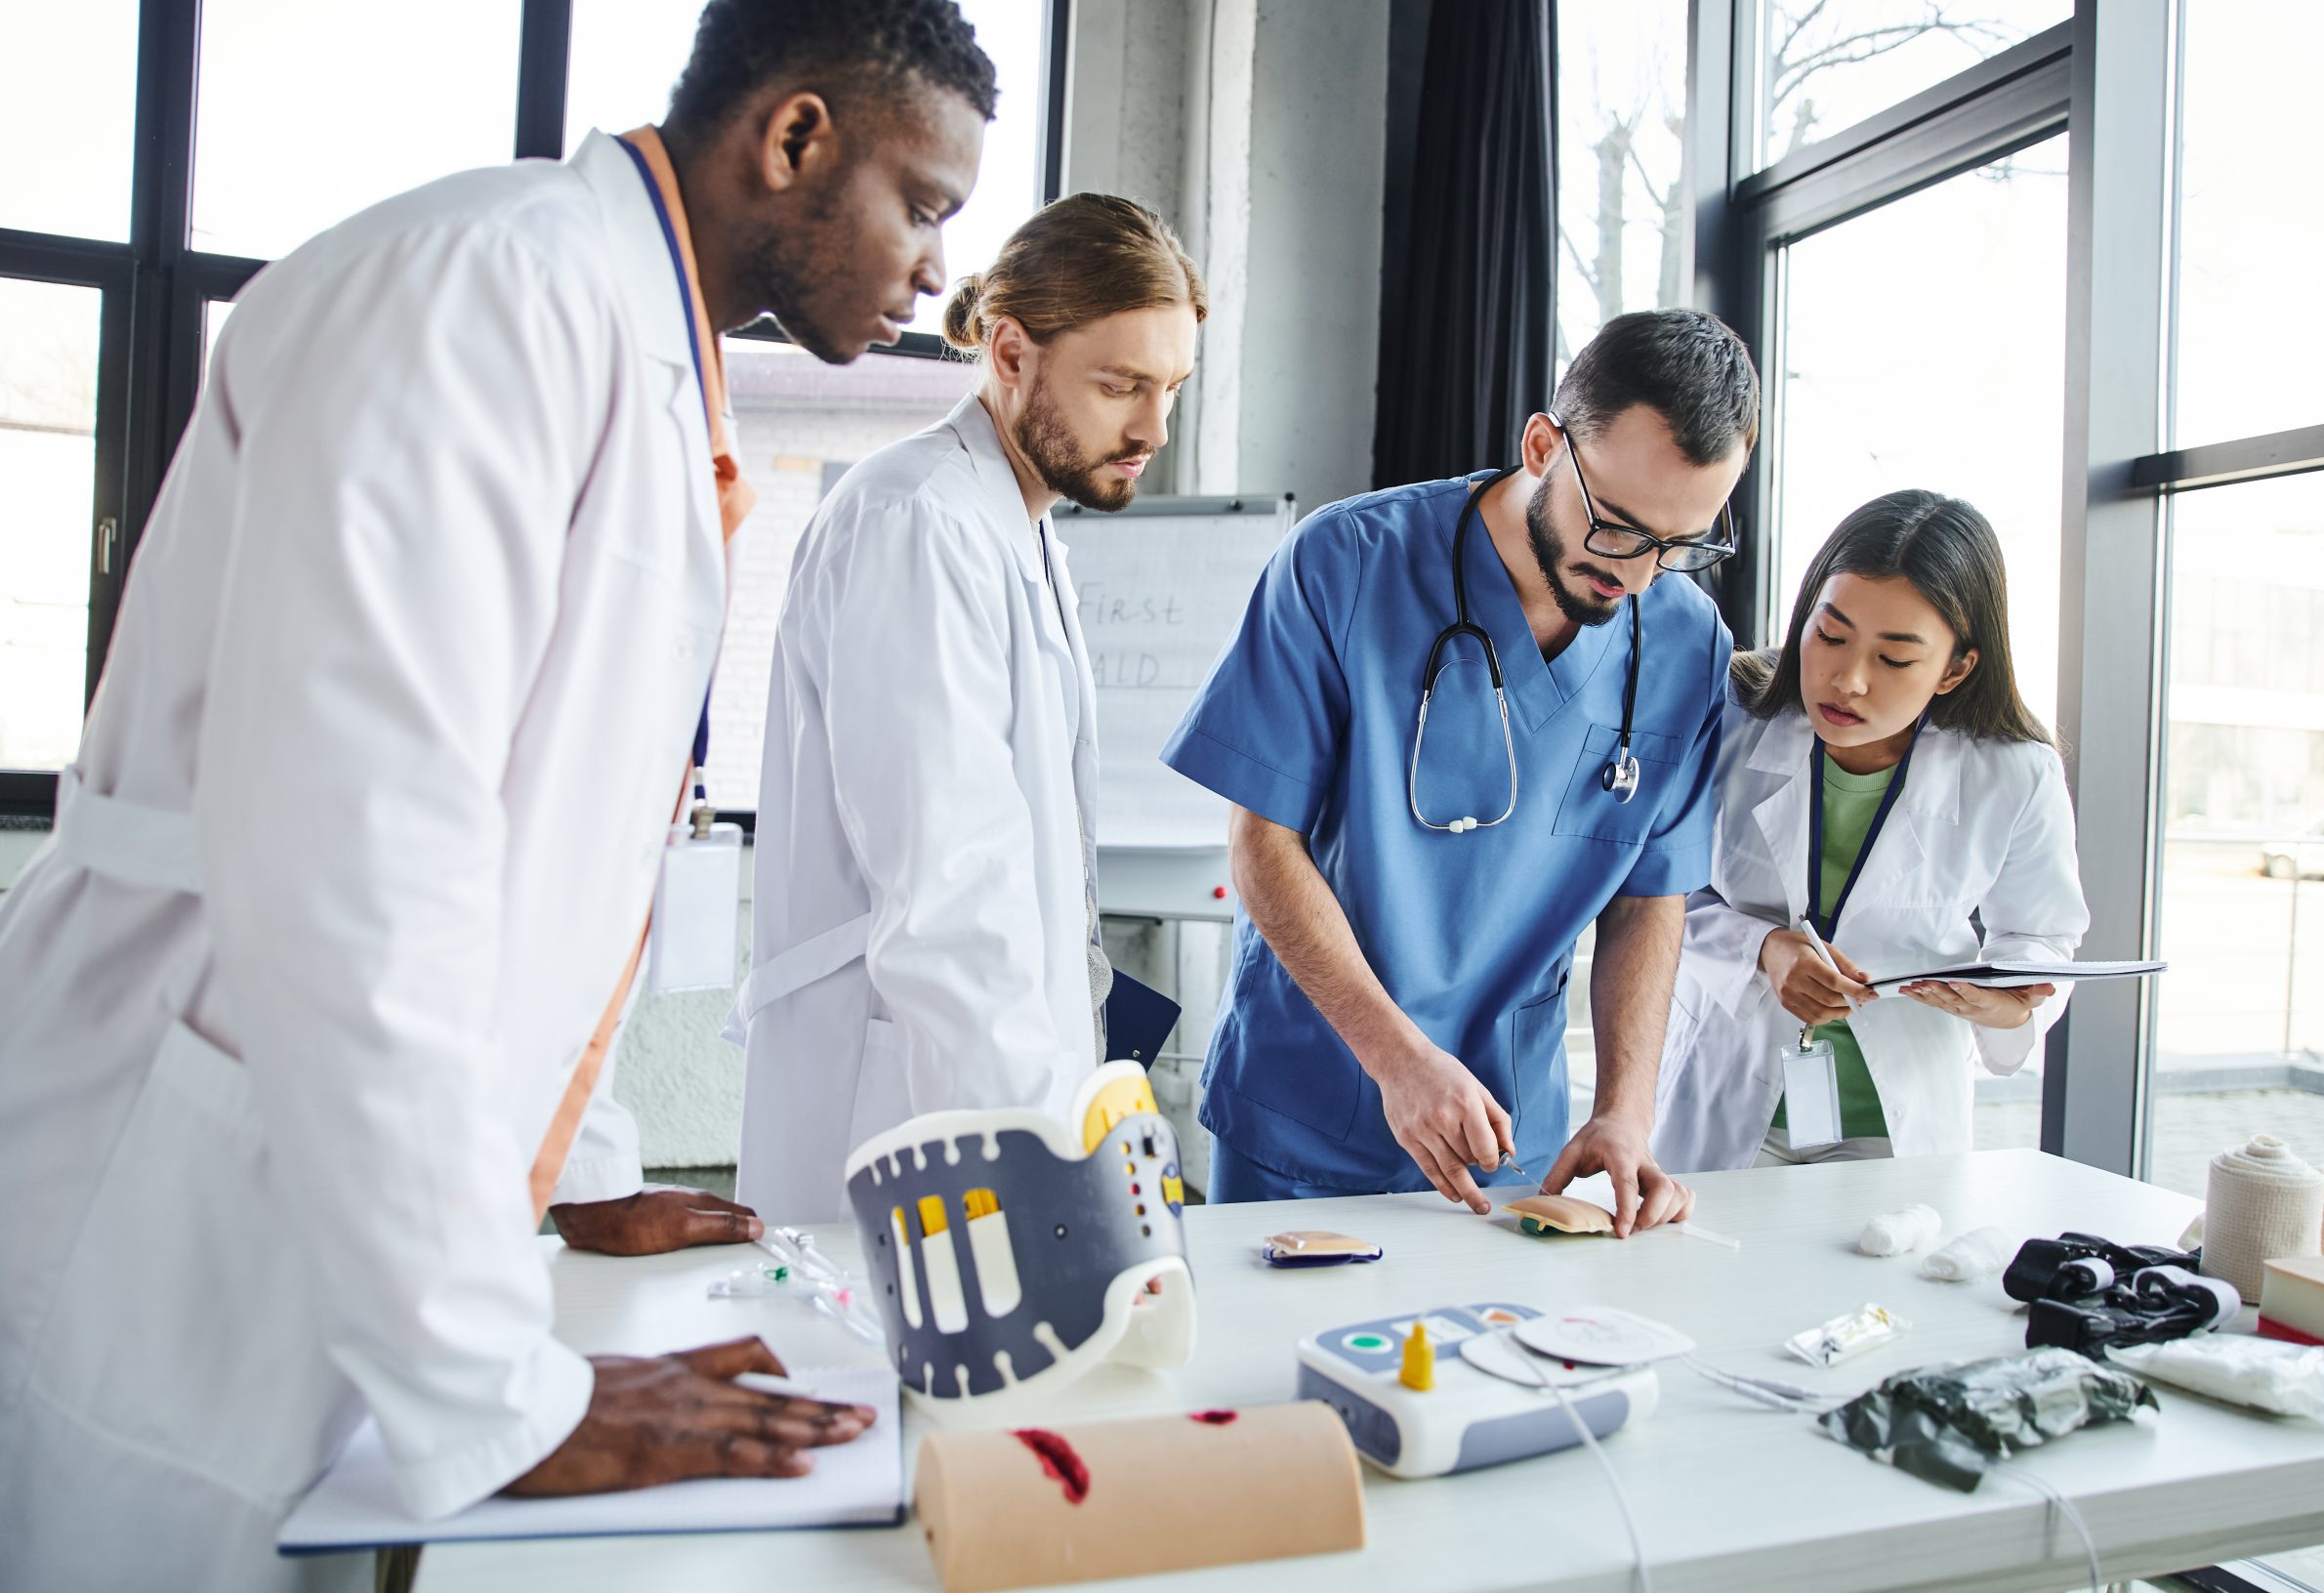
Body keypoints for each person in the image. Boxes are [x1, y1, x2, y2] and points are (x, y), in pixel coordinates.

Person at [0, 0, 995, 1588]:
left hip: (339, 1191)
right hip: (173, 1182)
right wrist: (500, 1395)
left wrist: (583, 1172)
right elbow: (358, 852)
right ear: (798, 136)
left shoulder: (637, 348)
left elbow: (561, 859)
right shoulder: (493, 286)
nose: (933, 275)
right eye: (927, 206)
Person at [1163, 310, 1760, 1231]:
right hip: (1311, 1111)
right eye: (1618, 528)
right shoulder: (1346, 563)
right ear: (1541, 446)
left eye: (1679, 547)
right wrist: (1397, 1060)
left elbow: (1650, 896)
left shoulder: (1685, 642)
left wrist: (1624, 1109)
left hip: (1511, 1141)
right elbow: (1261, 844)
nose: (1639, 577)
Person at [728, 194, 1204, 1223]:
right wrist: (1050, 1173)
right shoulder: (918, 521)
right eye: (1120, 385)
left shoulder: (1017, 531)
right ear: (1010, 352)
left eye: (1170, 388)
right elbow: (950, 896)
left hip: (983, 1093)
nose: (1152, 429)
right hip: (906, 1100)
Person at [1648, 490, 2089, 1170]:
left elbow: (2042, 936)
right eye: (1830, 635)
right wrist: (1763, 948)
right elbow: (1657, 894)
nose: (1847, 679)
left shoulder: (2016, 772)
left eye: (1894, 658)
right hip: (1727, 1103)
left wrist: (2007, 1007)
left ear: (1956, 667)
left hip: (1896, 1128)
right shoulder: (1729, 718)